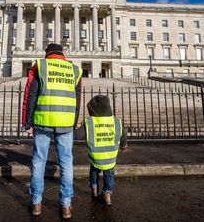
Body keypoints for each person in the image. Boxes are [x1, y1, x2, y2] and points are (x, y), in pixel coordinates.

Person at [22, 43, 82, 219]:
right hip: (65, 122)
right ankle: (65, 205)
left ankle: (36, 203)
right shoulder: (74, 70)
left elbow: (31, 94)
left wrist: (28, 122)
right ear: (62, 54)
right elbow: (77, 99)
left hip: (43, 121)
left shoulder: (40, 65)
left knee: (39, 161)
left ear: (47, 53)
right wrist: (73, 121)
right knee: (66, 163)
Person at [75, 95, 127, 205]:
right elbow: (123, 135)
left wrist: (76, 129)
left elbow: (78, 135)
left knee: (94, 172)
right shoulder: (117, 121)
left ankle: (94, 190)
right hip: (110, 157)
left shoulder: (89, 122)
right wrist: (123, 145)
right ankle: (107, 194)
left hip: (95, 157)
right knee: (109, 174)